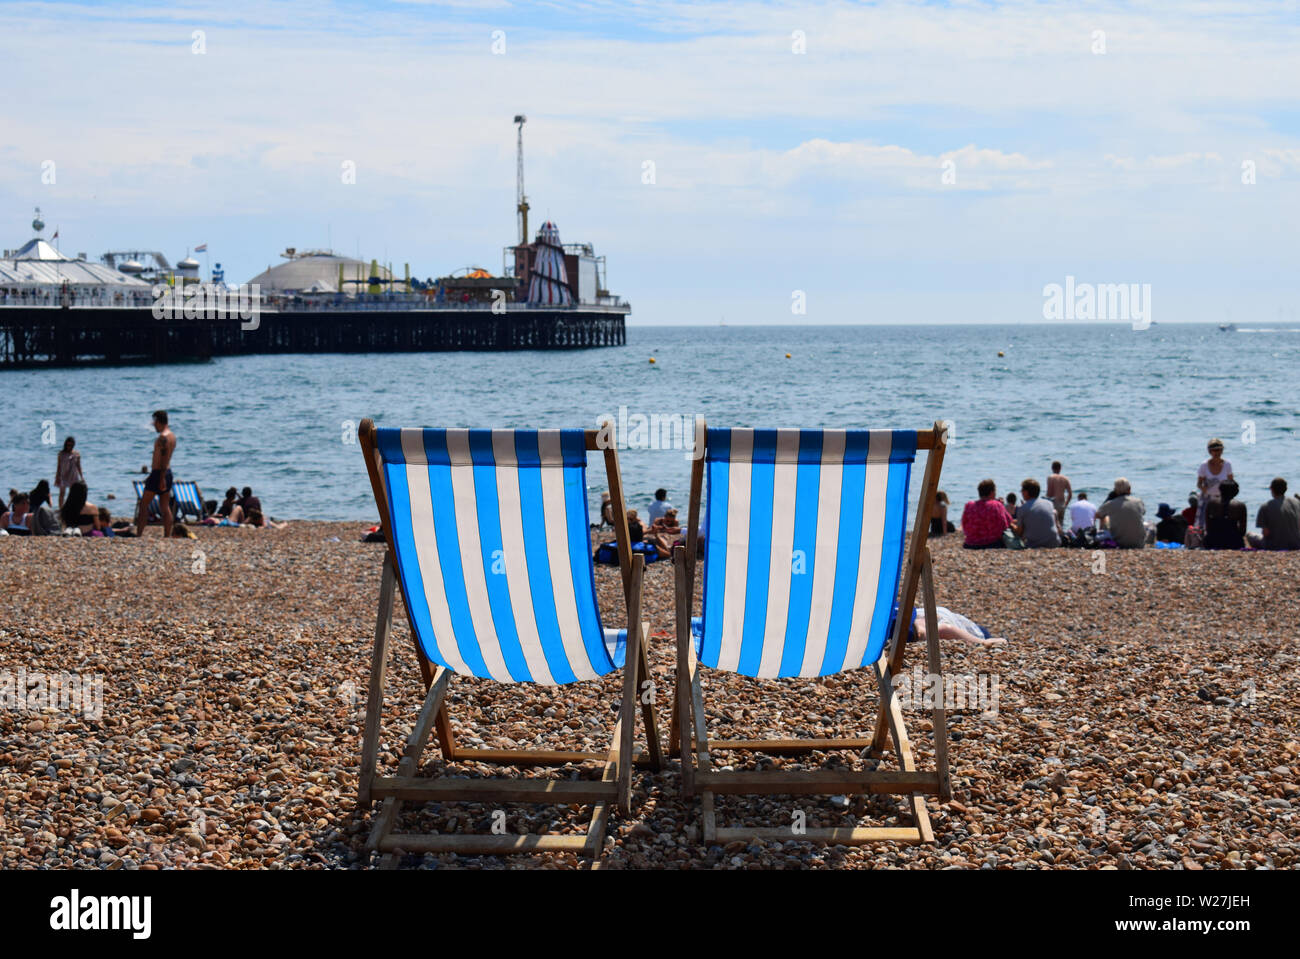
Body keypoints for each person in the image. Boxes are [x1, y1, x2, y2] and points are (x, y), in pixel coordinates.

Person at [136, 410, 176, 538]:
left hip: (160, 473)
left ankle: (139, 534)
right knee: (164, 506)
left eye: (154, 422)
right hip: (166, 472)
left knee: (143, 505)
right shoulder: (172, 436)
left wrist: (160, 478)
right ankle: (167, 535)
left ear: (159, 421)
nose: (153, 425)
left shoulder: (163, 438)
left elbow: (163, 459)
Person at [897, 605, 1007, 648]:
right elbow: (943, 630)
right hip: (970, 633)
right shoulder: (901, 627)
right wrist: (982, 643)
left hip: (962, 624)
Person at [1094, 477, 1147, 548]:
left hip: (1118, 543)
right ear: (1129, 489)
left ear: (1115, 490)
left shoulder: (1110, 504)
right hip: (1139, 544)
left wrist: (1108, 499)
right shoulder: (1138, 502)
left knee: (1105, 517)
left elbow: (1097, 515)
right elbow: (1143, 513)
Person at [961, 479, 1014, 549]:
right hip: (991, 543)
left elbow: (964, 524)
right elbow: (1005, 524)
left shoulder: (969, 505)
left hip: (970, 543)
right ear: (992, 492)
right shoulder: (996, 505)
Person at [1252, 477, 1300, 550]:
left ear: (1272, 489)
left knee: (1250, 535)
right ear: (1286, 489)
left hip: (1274, 545)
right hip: (1296, 543)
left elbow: (1265, 533)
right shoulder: (1297, 502)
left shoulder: (1265, 506)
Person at [1196, 438, 1234, 527]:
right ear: (1210, 451)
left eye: (1219, 450)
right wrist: (1205, 490)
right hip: (1207, 498)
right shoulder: (1204, 465)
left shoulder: (1227, 465)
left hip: (1222, 498)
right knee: (1204, 525)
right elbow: (1199, 483)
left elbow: (1231, 483)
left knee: (1223, 524)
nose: (1217, 452)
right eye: (1214, 450)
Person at [1013, 478, 1061, 548]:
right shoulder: (1049, 503)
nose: (1021, 493)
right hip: (1054, 542)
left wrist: (1011, 525)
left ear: (1026, 492)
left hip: (1034, 544)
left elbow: (1019, 532)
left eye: (1022, 490)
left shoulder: (1022, 508)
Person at [1203, 481, 1247, 550]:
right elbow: (1243, 530)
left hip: (1212, 541)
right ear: (1235, 492)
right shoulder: (1240, 505)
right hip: (1233, 542)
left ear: (1220, 490)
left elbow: (1207, 526)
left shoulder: (1211, 503)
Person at [55, 436, 84, 509]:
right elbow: (59, 466)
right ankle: (61, 509)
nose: (69, 447)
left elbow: (79, 466)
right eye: (68, 445)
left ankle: (70, 508)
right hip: (63, 475)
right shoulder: (61, 454)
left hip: (73, 475)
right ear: (65, 445)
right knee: (62, 493)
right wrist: (57, 477)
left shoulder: (76, 454)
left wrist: (82, 477)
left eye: (71, 445)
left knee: (72, 494)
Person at [1045, 461, 1072, 526]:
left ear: (1052, 468)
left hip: (1053, 504)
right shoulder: (1065, 479)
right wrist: (1065, 505)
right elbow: (1070, 494)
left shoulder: (1051, 477)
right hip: (1062, 504)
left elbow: (1049, 493)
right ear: (1060, 468)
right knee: (1061, 525)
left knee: (1052, 525)